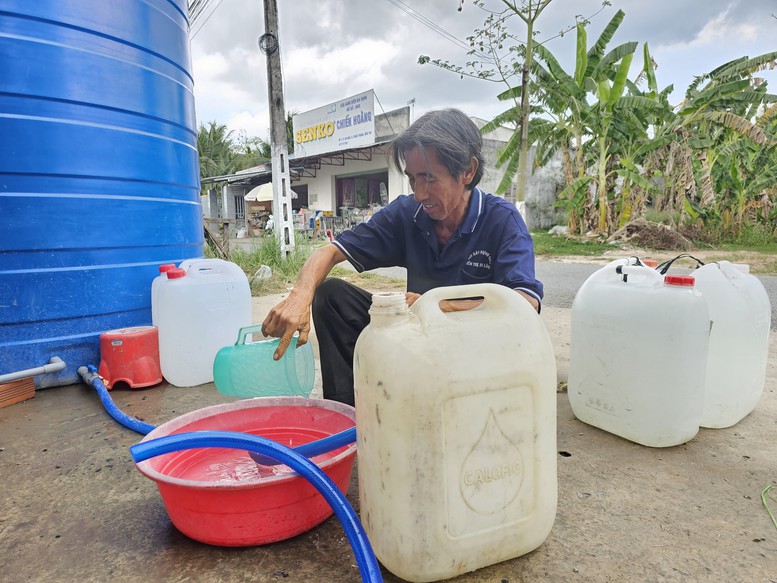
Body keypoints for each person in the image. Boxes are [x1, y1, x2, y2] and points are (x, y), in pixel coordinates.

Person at [261, 108, 543, 406]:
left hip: (475, 357)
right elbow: (328, 252)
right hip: (418, 345)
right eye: (412, 180)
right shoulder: (408, 214)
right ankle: (348, 417)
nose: (420, 193)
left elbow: (526, 302)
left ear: (467, 172)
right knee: (332, 296)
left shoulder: (502, 220)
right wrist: (299, 296)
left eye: (430, 179)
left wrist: (435, 306)